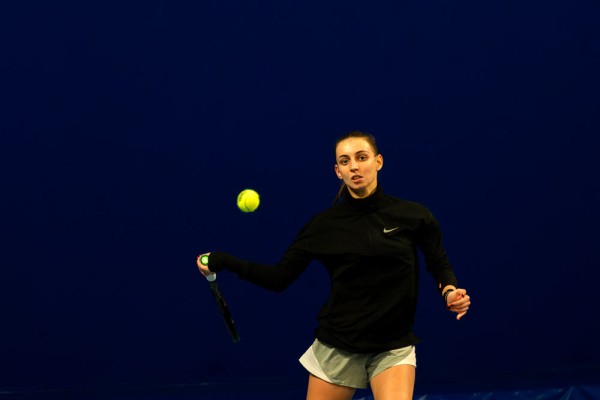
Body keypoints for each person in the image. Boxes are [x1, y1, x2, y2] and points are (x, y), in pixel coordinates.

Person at [197, 131, 471, 400]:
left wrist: (449, 291)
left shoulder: (414, 216)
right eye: (345, 161)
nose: (354, 166)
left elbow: (438, 262)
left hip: (392, 346)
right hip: (339, 345)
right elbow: (278, 278)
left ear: (378, 161)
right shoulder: (323, 227)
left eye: (361, 157)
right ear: (337, 171)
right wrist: (223, 260)